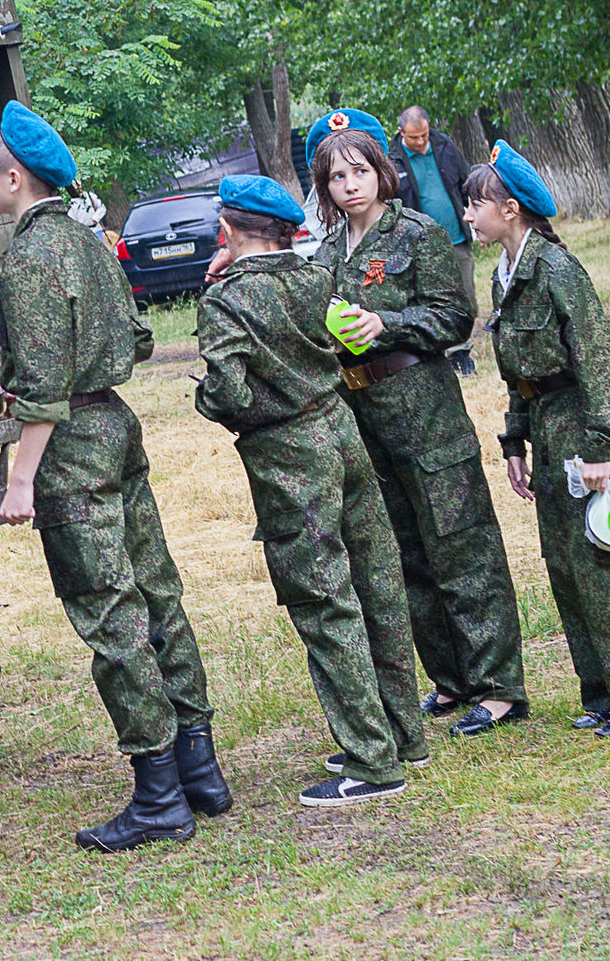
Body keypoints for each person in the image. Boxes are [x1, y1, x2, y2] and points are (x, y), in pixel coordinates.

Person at [0, 101, 226, 852]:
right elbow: (139, 337)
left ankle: (159, 797)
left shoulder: (32, 257)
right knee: (156, 592)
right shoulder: (86, 239)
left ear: (14, 178)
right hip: (115, 425)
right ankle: (199, 768)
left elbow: (44, 389)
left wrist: (21, 479)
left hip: (74, 443)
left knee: (110, 612)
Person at [195, 174, 429, 807]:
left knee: (325, 602)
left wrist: (207, 396)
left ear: (227, 230)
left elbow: (227, 394)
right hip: (341, 431)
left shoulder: (226, 302)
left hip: (288, 455)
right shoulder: (315, 276)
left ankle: (372, 761)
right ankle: (402, 733)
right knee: (378, 583)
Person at [306, 114, 529, 740]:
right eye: (336, 177)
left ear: (382, 173)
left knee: (462, 548)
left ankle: (498, 688)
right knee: (407, 556)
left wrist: (387, 324)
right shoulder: (326, 254)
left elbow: (454, 317)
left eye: (359, 171)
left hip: (424, 411)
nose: (350, 185)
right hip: (363, 418)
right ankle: (451, 680)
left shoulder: (417, 233)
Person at [466, 144, 610, 737]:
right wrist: (514, 442)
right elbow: (520, 375)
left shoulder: (557, 270)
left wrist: (602, 448)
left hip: (582, 428)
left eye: (476, 205)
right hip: (548, 431)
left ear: (510, 208)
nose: (468, 216)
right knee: (567, 567)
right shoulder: (505, 274)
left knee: (607, 571)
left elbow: (600, 367)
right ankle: (601, 696)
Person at [387, 106, 480, 374]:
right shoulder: (392, 161)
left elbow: (466, 185)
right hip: (421, 245)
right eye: (414, 137)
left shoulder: (445, 146)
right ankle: (456, 353)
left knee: (467, 298)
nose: (420, 141)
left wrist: (478, 222)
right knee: (434, 301)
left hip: (456, 236)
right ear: (401, 132)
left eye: (424, 135)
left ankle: (459, 344)